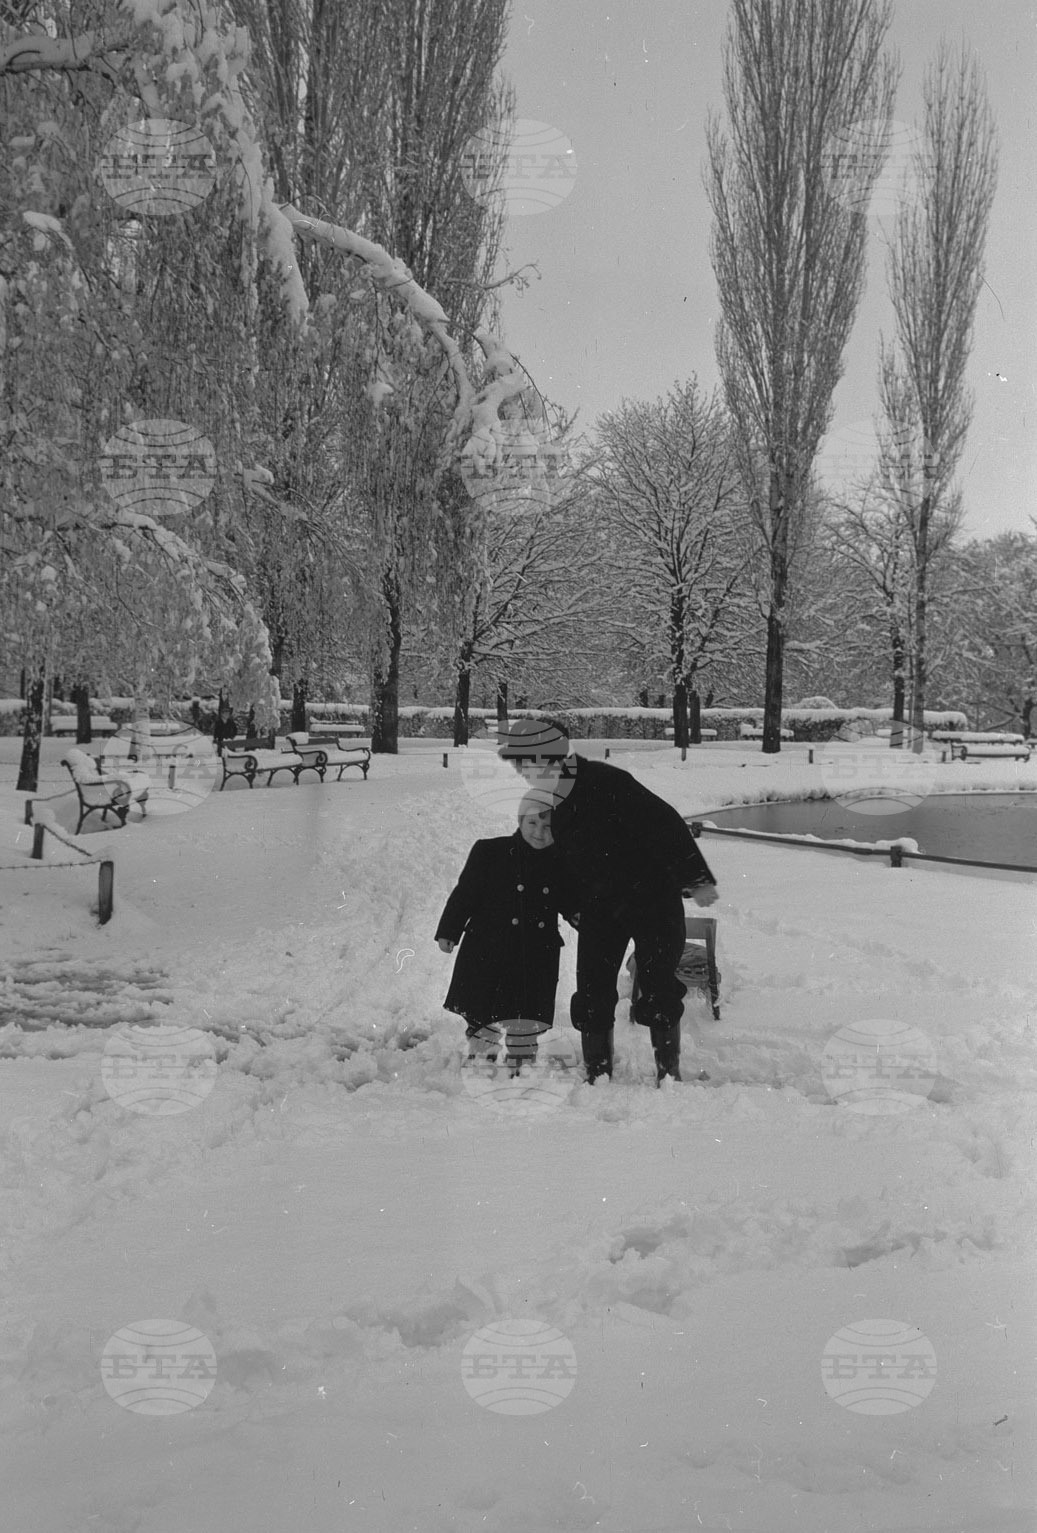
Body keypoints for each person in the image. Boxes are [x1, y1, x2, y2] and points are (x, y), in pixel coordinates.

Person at [497, 717, 719, 1085]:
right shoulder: (550, 803)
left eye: (525, 764)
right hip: (600, 906)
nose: (521, 773)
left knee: (659, 986)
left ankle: (668, 1072)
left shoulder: (606, 781)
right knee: (592, 989)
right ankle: (598, 1071)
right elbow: (555, 863)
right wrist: (571, 907)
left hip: (653, 899)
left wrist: (695, 879)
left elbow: (664, 823)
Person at [435, 791, 579, 1074]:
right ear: (520, 821)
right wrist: (449, 930)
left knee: (526, 1018)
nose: (539, 832)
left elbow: (567, 897)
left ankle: (521, 1064)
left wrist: (577, 914)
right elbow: (465, 894)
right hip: (489, 948)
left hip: (535, 952)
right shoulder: (491, 851)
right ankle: (481, 1057)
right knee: (482, 1012)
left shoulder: (560, 860)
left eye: (548, 826)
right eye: (533, 823)